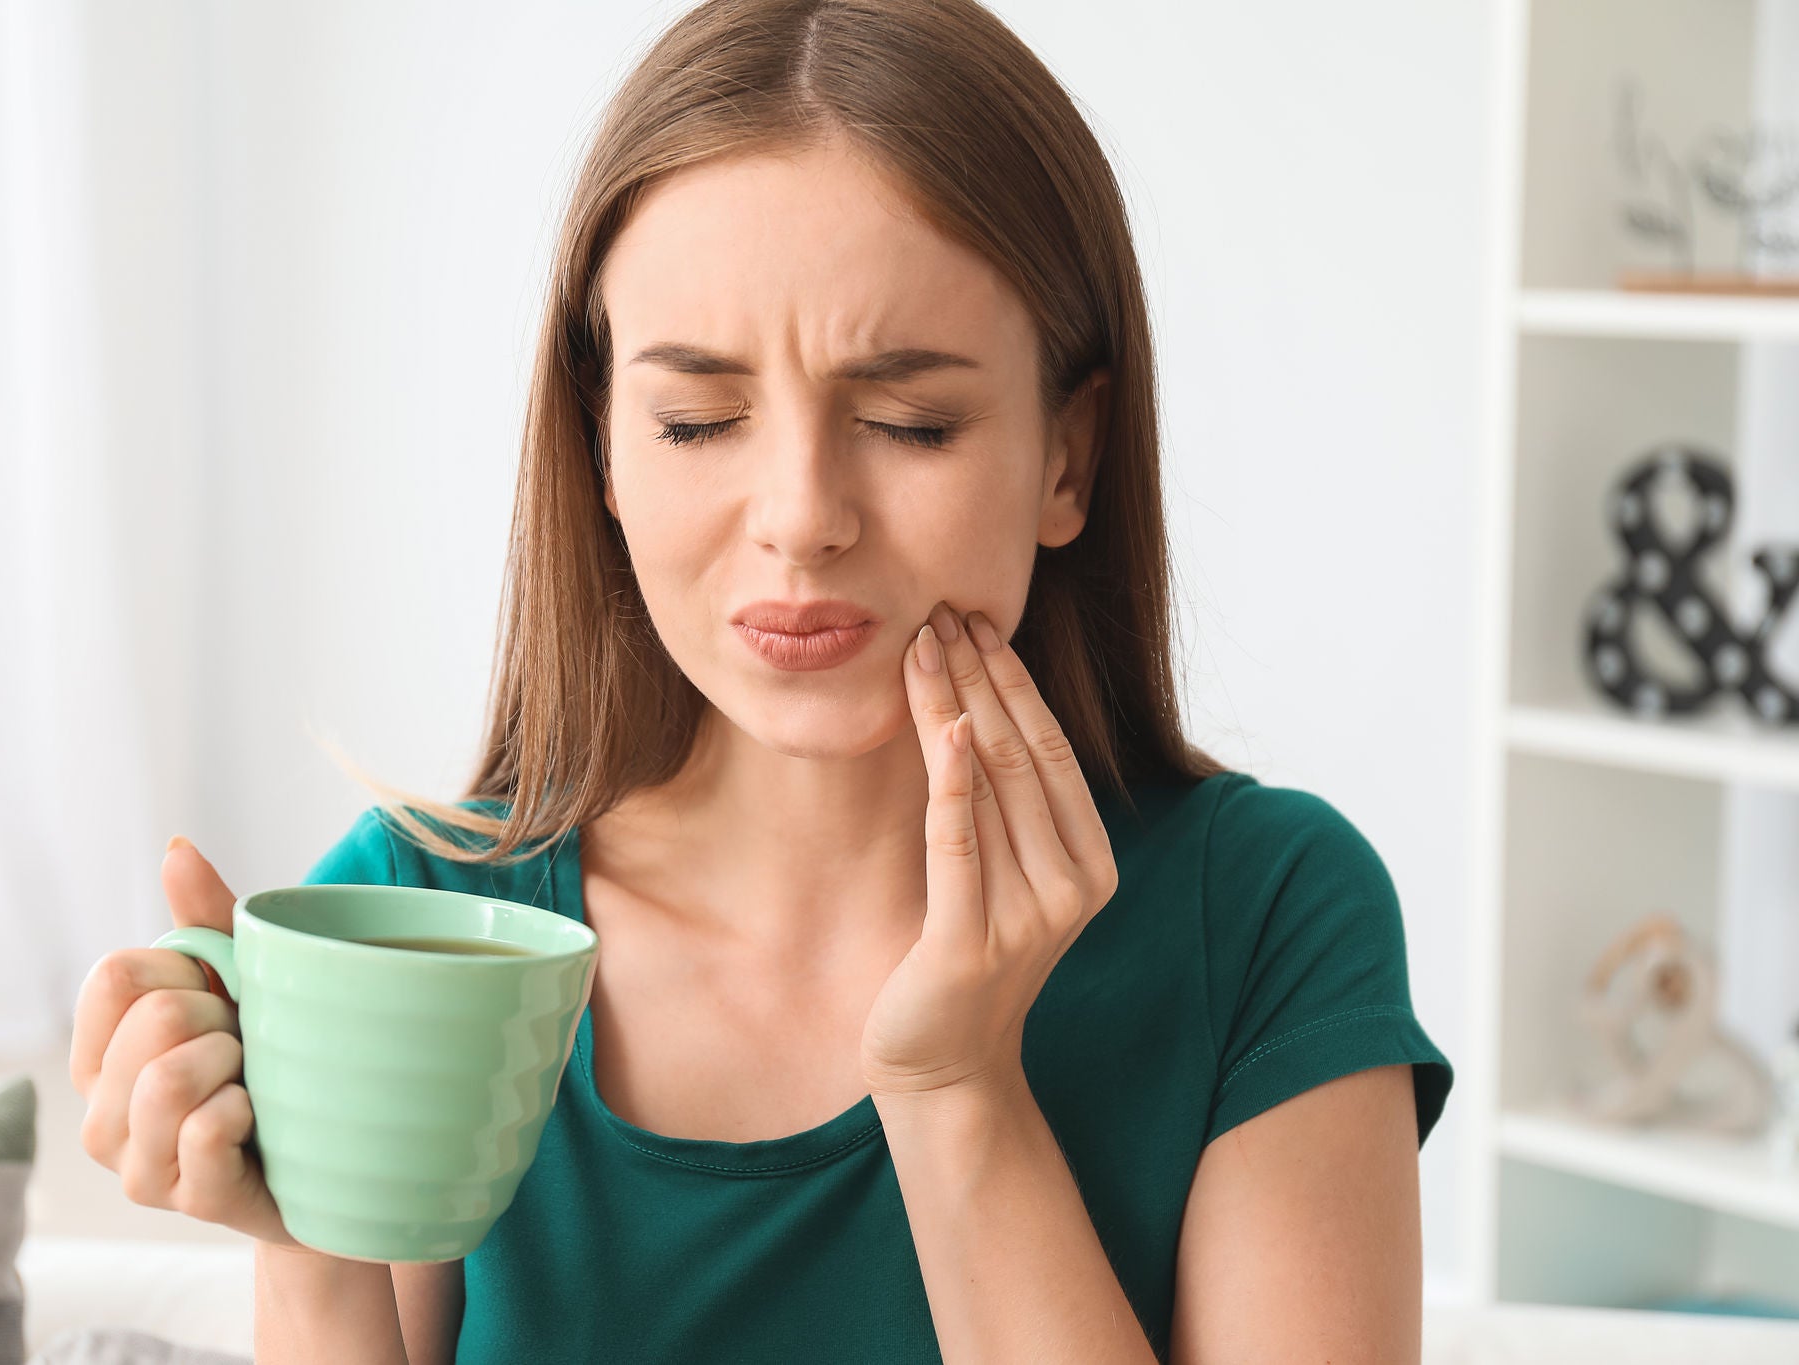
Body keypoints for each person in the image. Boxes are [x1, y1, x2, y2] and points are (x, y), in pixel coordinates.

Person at [72, 1, 1455, 1361]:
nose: (802, 515)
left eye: (910, 421)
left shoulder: (1270, 919)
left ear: (1066, 458)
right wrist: (307, 1243)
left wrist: (959, 1092)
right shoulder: (433, 922)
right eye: (698, 419)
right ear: (603, 451)